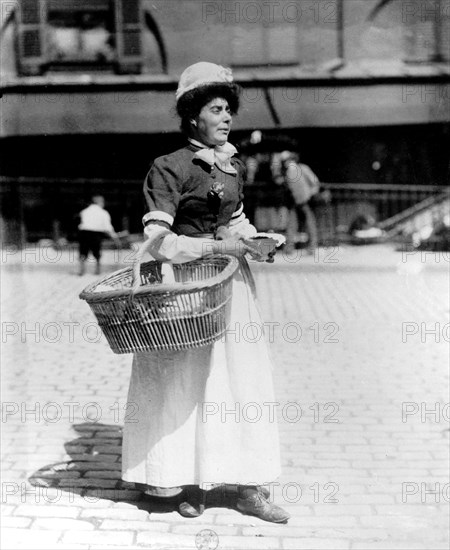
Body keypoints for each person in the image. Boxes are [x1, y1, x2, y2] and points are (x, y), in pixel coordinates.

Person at [121, 62, 289, 523]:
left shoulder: (233, 165)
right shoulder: (168, 167)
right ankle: (189, 481)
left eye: (229, 109)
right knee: (190, 383)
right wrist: (221, 245)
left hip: (232, 288)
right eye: (217, 109)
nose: (227, 117)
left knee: (241, 381)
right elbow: (158, 241)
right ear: (193, 115)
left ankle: (249, 486)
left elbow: (235, 220)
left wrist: (255, 240)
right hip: (185, 290)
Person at [273, 151, 320, 254]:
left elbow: (315, 182)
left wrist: (309, 195)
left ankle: (312, 246)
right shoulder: (285, 172)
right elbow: (278, 181)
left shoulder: (303, 168)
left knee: (309, 222)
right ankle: (289, 247)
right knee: (292, 223)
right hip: (294, 201)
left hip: (305, 200)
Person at [77, 195, 118, 275]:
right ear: (99, 202)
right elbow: (107, 226)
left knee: (83, 251)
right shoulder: (103, 213)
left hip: (84, 233)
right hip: (95, 234)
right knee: (97, 252)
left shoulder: (84, 211)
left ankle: (82, 270)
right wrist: (114, 236)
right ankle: (97, 270)